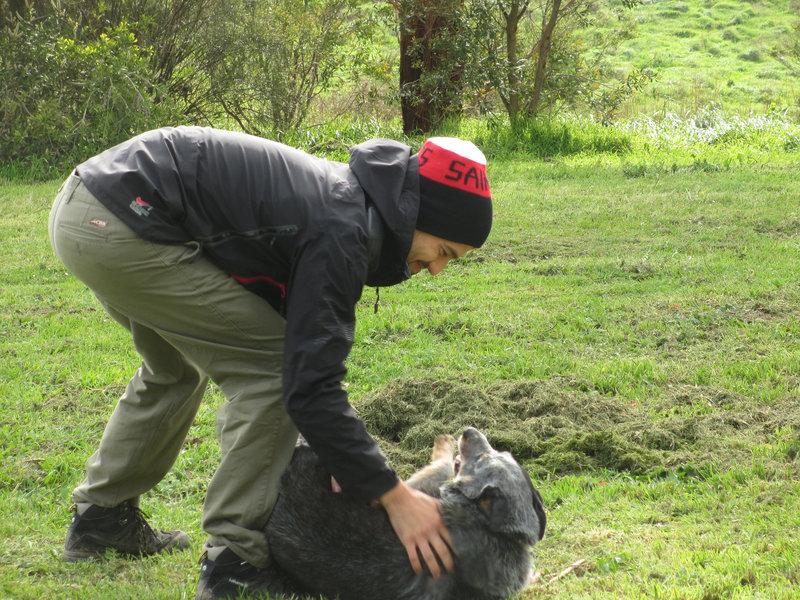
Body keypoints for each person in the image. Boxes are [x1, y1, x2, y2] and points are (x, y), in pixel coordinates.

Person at [48, 126, 492, 599]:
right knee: (271, 368)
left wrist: (342, 454)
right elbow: (307, 380)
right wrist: (394, 496)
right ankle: (234, 563)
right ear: (416, 214)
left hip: (89, 207)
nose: (438, 269)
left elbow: (303, 335)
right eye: (443, 250)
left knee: (175, 368)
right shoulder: (342, 229)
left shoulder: (350, 204)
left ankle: (100, 519)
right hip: (125, 221)